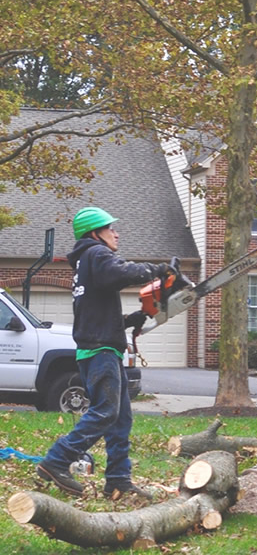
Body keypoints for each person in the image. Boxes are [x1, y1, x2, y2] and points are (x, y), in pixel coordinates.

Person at [36, 207, 170, 500]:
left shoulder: (85, 262)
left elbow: (93, 312)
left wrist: (126, 321)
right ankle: (57, 461)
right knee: (106, 411)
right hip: (101, 351)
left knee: (120, 418)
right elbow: (120, 273)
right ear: (95, 233)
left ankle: (118, 480)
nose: (116, 233)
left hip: (97, 346)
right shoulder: (96, 254)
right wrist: (157, 269)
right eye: (111, 229)